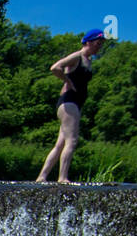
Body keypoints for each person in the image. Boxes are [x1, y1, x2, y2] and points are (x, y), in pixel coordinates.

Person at [37, 29, 106, 184]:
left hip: (74, 103)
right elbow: (55, 67)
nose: (99, 47)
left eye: (101, 44)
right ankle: (62, 177)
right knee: (72, 141)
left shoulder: (89, 60)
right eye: (97, 43)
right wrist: (67, 81)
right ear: (88, 42)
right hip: (68, 102)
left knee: (60, 144)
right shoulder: (77, 56)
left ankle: (42, 176)